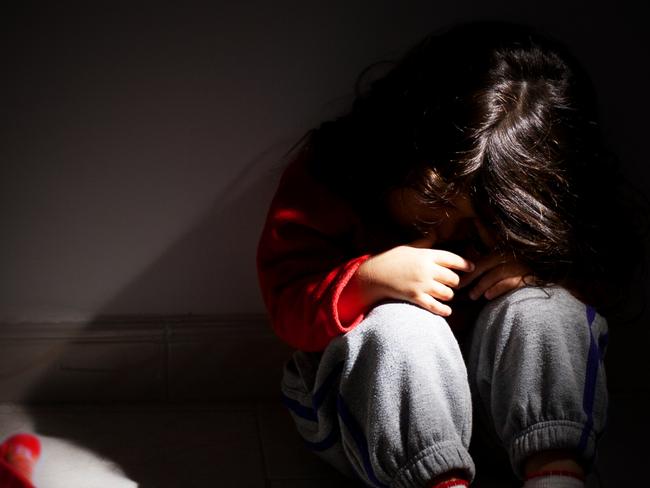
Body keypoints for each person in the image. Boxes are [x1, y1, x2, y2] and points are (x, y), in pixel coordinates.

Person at [256, 20, 646, 488]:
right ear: (401, 148)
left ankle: (555, 472)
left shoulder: (535, 212)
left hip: (503, 418)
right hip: (368, 418)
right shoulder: (331, 177)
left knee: (547, 309)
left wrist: (544, 270)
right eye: (435, 207)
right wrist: (367, 281)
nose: (445, 231)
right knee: (401, 327)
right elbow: (286, 306)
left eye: (473, 227)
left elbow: (603, 288)